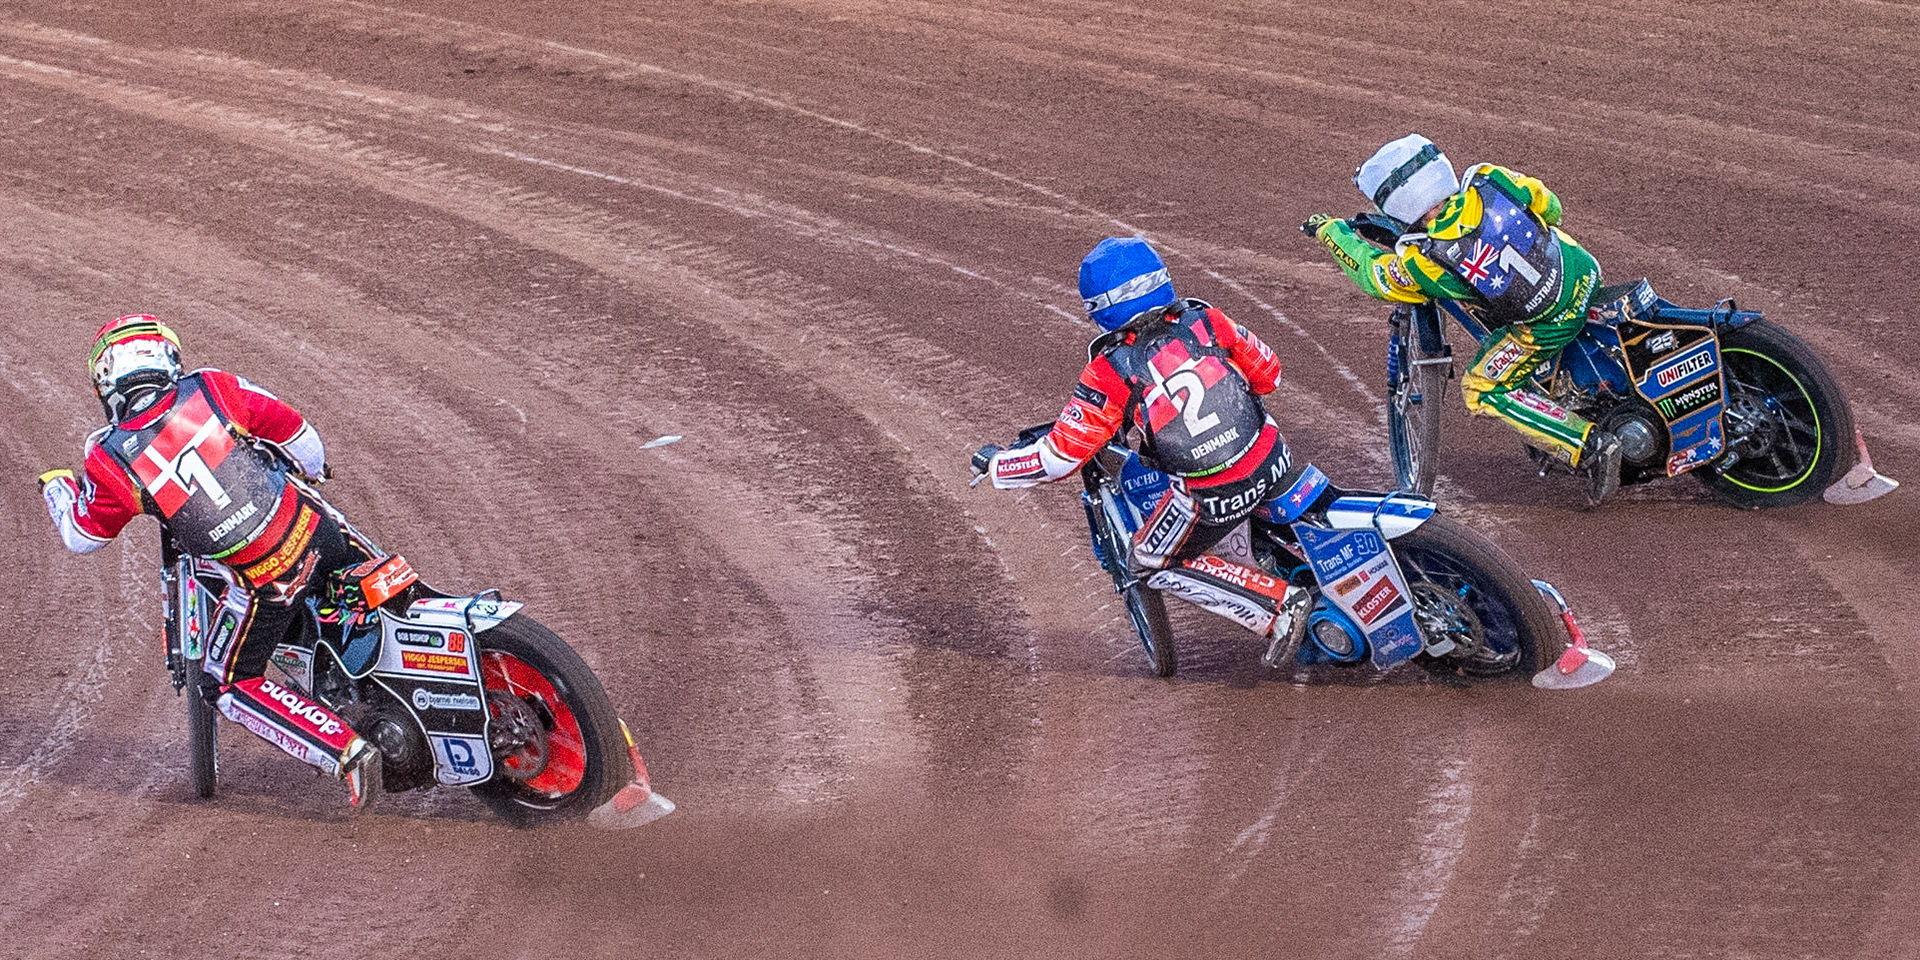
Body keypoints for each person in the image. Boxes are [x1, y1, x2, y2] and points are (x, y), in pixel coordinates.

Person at [38, 314, 383, 807]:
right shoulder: (214, 386)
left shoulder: (108, 457)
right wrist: (314, 470)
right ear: (169, 360)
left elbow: (81, 536)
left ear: (105, 383)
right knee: (357, 558)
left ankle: (344, 750)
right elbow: (301, 439)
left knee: (225, 683)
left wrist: (58, 486)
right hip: (317, 529)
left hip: (268, 579)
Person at [970, 237, 1314, 667]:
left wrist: (1000, 465)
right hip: (1274, 456)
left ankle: (1279, 605)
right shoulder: (1207, 320)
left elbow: (1059, 457)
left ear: (1098, 307)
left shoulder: (1109, 370)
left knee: (1148, 559)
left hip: (1213, 493)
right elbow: (1270, 375)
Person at [1303, 133, 1624, 503]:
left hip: (1550, 320)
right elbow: (1550, 207)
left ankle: (1589, 445)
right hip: (1583, 270)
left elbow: (1374, 276)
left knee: (1481, 387)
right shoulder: (1489, 178)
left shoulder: (1426, 259)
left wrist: (1332, 233)